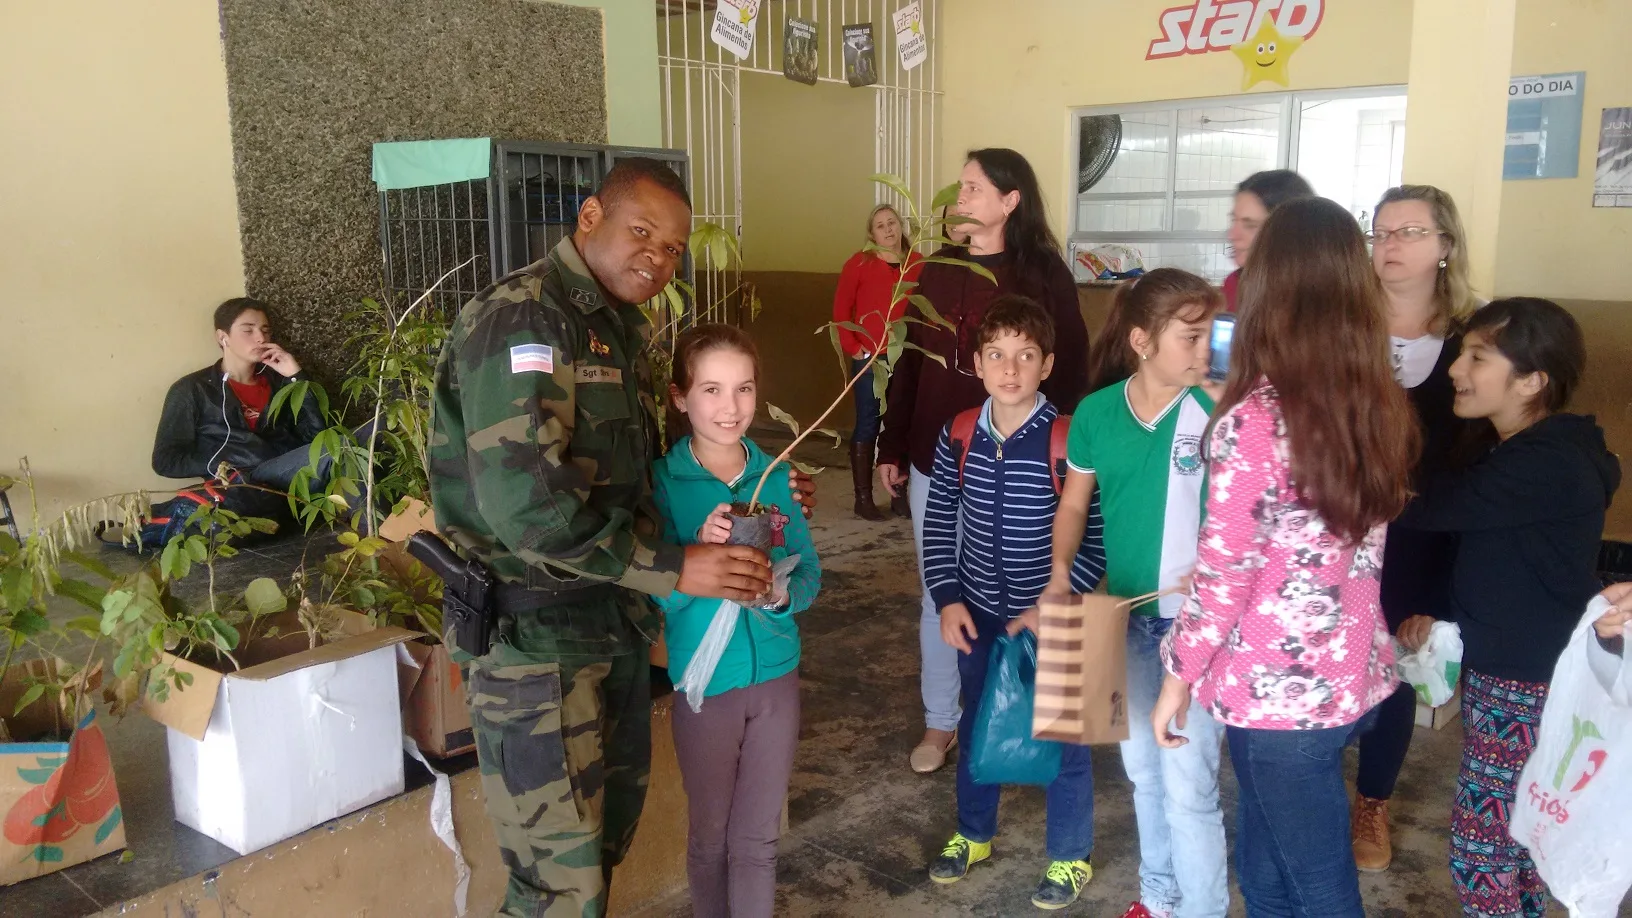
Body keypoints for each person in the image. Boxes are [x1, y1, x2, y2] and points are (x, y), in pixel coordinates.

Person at [426, 157, 816, 917]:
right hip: (536, 644)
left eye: (673, 247)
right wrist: (678, 568)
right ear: (590, 218)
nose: (658, 257)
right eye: (642, 231)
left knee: (598, 859)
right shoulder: (527, 321)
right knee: (558, 884)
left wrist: (761, 481)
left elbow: (645, 474)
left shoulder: (613, 332)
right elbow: (529, 510)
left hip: (609, 627)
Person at [1153, 197, 1420, 917]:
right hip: (1345, 681)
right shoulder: (1375, 402)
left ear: (1270, 291)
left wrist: (1177, 676)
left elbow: (1225, 577)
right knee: (1269, 874)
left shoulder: (1257, 420)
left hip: (1278, 698)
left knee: (1319, 887)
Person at [1391, 298, 1620, 918]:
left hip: (1527, 678)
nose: (1456, 369)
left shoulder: (1542, 463)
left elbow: (1428, 506)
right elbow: (1490, 552)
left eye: (1477, 357)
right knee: (1516, 836)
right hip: (1519, 667)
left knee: (1480, 850)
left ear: (1532, 380)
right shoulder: (1519, 451)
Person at [877, 148, 1091, 775]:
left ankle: (1029, 718)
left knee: (1035, 588)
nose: (958, 199)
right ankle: (943, 720)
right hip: (939, 454)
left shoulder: (1043, 271)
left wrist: (1071, 461)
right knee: (941, 591)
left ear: (1009, 200)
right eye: (960, 188)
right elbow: (909, 359)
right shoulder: (936, 268)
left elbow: (1071, 366)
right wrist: (892, 441)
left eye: (972, 188)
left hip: (1030, 466)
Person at [1048, 269, 1228, 918]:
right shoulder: (1097, 413)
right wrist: (1060, 570)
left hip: (1198, 629)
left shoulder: (1217, 408)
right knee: (1142, 772)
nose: (1205, 350)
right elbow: (1074, 504)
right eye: (1191, 336)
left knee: (1190, 786)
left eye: (1211, 334)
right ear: (1141, 340)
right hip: (1122, 618)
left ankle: (1201, 909)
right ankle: (1158, 894)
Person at [920, 295, 1106, 910]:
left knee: (1065, 736)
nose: (1009, 368)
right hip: (979, 612)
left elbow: (1095, 536)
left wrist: (1058, 601)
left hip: (1055, 618)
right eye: (996, 355)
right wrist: (947, 599)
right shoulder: (960, 434)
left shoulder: (1068, 437)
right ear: (976, 362)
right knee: (977, 726)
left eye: (1025, 356)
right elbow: (939, 521)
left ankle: (1071, 855)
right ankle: (973, 834)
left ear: (1046, 365)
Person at [651, 324, 820, 918]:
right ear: (681, 398)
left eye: (744, 390)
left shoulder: (776, 478)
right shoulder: (663, 485)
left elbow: (809, 576)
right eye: (712, 391)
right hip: (707, 684)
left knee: (758, 840)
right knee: (711, 836)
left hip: (775, 676)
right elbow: (652, 596)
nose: (730, 408)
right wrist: (694, 553)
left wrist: (778, 598)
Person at [1350, 184, 1480, 872]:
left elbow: (1483, 459)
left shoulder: (1474, 339)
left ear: (1444, 247)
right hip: (1342, 528)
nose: (1391, 244)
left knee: (1396, 661)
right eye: (1382, 232)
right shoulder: (1345, 326)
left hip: (1426, 538)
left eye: (1409, 232)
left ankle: (1373, 800)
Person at [105, 298, 327, 548]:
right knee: (342, 450)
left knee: (357, 443)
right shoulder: (192, 390)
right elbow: (166, 460)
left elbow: (319, 436)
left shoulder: (280, 383)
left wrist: (296, 376)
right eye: (248, 329)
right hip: (241, 484)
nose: (260, 338)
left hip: (289, 475)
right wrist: (229, 460)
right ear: (223, 337)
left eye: (265, 330)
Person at [833, 204, 922, 521]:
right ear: (871, 233)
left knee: (903, 422)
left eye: (892, 222)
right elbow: (842, 312)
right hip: (871, 357)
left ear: (901, 226)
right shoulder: (858, 263)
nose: (888, 229)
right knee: (869, 421)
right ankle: (863, 498)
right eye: (880, 225)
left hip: (907, 355)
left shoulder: (918, 264)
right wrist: (854, 348)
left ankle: (899, 494)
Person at [1221, 170, 1314, 311]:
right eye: (1234, 220)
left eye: (1250, 225)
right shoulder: (1234, 286)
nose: (1233, 235)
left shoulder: (1317, 293)